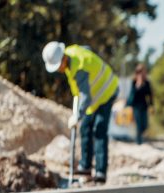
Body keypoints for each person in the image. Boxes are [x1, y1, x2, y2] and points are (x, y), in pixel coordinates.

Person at [42, 41, 118, 183]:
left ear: (63, 58)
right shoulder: (72, 54)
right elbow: (87, 49)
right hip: (95, 98)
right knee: (85, 128)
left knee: (99, 129)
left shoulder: (79, 67)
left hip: (107, 91)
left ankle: (101, 172)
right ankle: (86, 167)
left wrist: (78, 114)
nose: (58, 69)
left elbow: (86, 96)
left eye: (58, 66)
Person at [127, 64, 153, 145]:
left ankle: (140, 138)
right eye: (139, 72)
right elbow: (132, 94)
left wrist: (152, 105)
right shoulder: (134, 82)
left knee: (144, 125)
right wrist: (138, 86)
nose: (141, 74)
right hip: (136, 106)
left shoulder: (147, 83)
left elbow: (150, 95)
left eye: (143, 72)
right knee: (138, 124)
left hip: (144, 106)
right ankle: (139, 142)